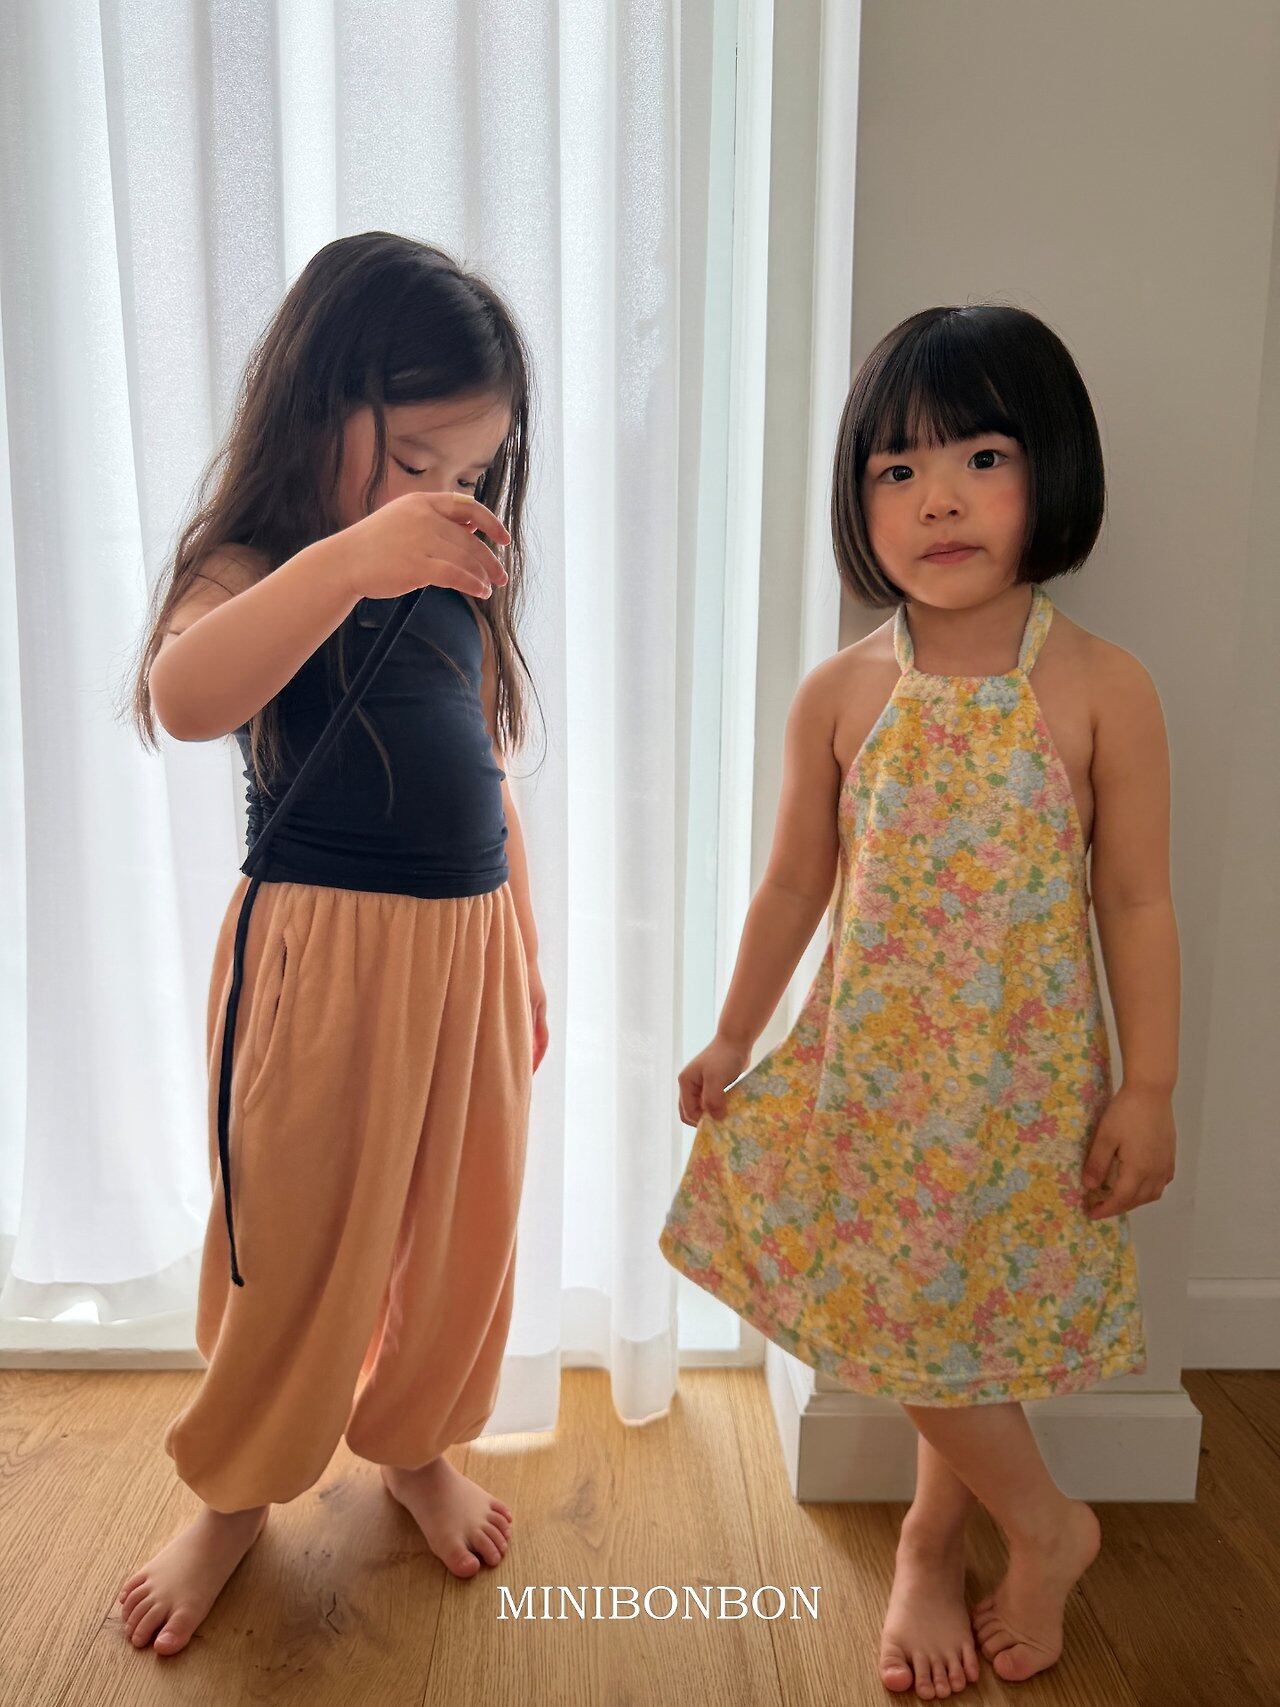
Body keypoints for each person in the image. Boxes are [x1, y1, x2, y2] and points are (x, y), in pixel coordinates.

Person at [660, 304, 1179, 1698]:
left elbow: (1136, 903)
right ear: (862, 502)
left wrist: (1149, 1087)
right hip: (872, 1080)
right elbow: (793, 883)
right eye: (898, 469)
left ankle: (937, 1542)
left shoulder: (1102, 688)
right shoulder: (842, 694)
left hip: (1024, 1081)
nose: (938, 497)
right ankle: (1037, 1526)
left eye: (981, 458)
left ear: (1050, 470)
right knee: (902, 1311)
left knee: (966, 1317)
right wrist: (734, 1030)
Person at [115, 233, 549, 1656]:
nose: (445, 496)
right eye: (417, 459)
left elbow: (480, 762)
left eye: (472, 470)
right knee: (291, 1239)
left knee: (461, 1228)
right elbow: (188, 698)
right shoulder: (255, 564)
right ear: (319, 403)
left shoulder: (449, 575)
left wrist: (525, 948)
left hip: (468, 948)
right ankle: (235, 1493)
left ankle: (414, 1441)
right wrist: (351, 562)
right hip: (323, 953)